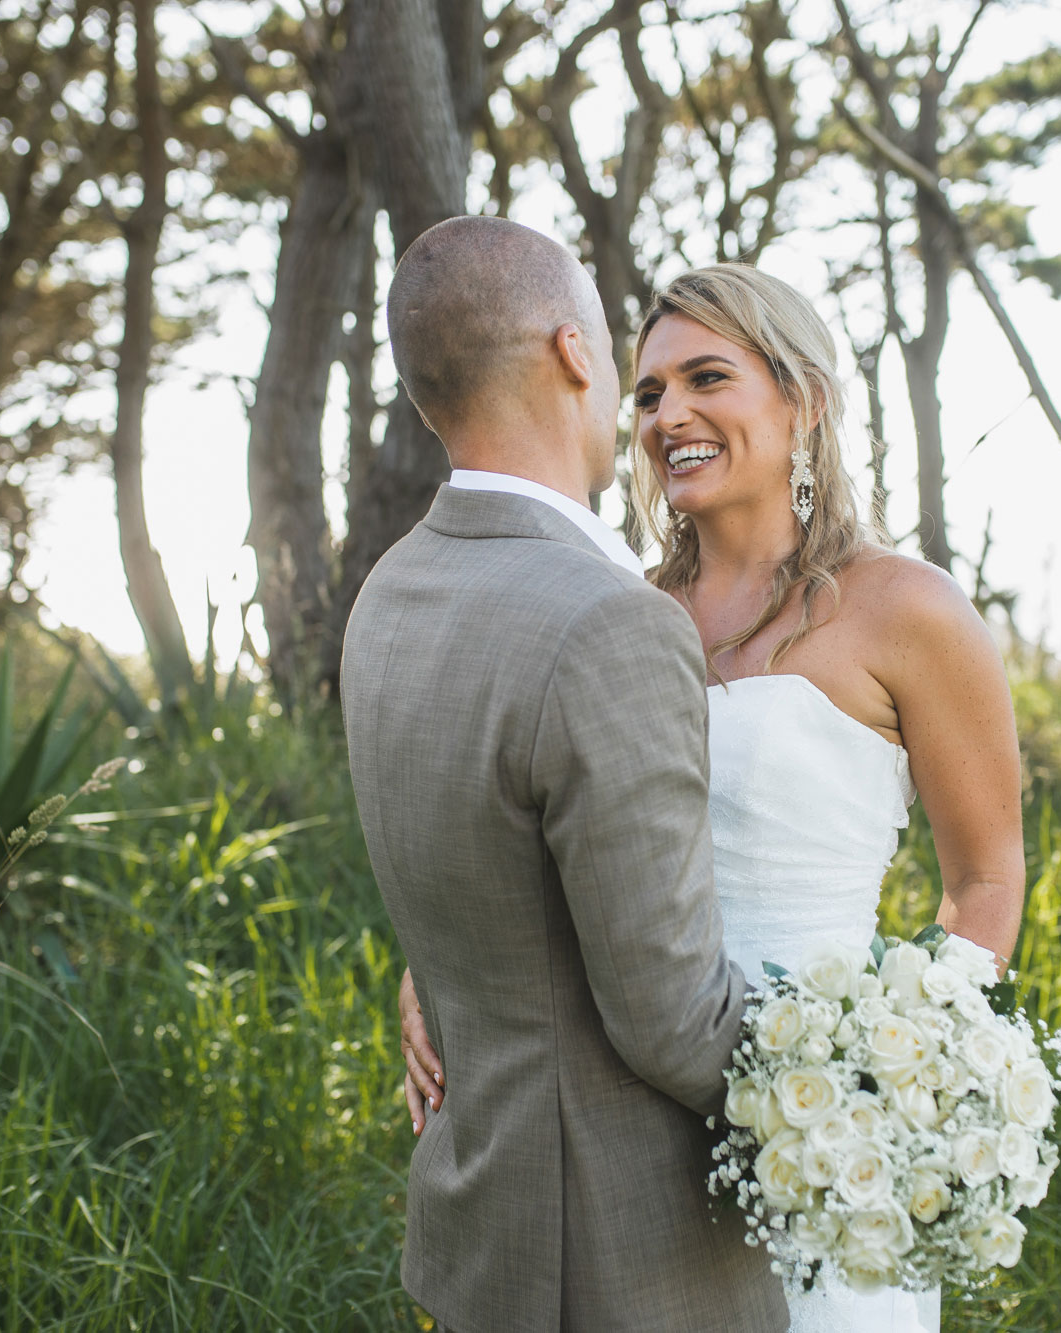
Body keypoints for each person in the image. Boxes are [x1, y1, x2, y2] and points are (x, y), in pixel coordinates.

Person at [399, 263, 1026, 1333]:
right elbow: (532, 830)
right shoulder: (610, 615)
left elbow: (983, 875)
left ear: (804, 399)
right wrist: (440, 969)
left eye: (705, 378)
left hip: (825, 1119)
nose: (666, 415)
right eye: (645, 393)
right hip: (620, 1110)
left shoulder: (908, 611)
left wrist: (902, 1078)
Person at [343, 220, 788, 1332]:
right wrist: (861, 1090)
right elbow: (671, 1017)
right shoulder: (605, 625)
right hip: (620, 1259)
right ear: (574, 354)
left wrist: (431, 980)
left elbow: (471, 860)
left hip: (479, 1227)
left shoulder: (389, 592)